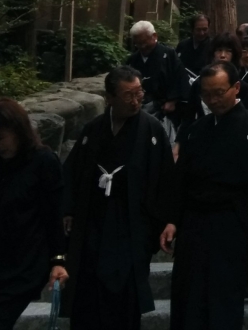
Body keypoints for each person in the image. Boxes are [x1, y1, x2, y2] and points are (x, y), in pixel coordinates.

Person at [162, 62, 248, 330]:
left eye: (219, 92)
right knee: (188, 292)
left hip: (233, 220)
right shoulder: (196, 129)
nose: (213, 100)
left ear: (236, 87)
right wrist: (172, 219)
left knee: (224, 293)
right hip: (194, 221)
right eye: (207, 94)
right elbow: (180, 180)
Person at [62, 66, 174, 330]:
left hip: (132, 226)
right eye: (128, 95)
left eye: (139, 93)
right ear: (109, 98)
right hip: (94, 225)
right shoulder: (93, 130)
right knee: (88, 295)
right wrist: (68, 210)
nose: (136, 101)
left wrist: (165, 222)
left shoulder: (152, 130)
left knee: (125, 299)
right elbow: (72, 174)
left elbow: (167, 181)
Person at [0, 99, 67, 330]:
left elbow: (53, 215)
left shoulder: (43, 162)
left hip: (24, 264)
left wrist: (58, 260)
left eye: (1, 138)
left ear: (18, 130)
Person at [126, 19, 186, 122]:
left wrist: (173, 101)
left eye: (144, 42)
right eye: (138, 44)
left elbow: (180, 78)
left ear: (154, 36)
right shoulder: (133, 60)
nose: (142, 46)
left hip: (164, 107)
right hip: (139, 105)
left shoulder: (169, 54)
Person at [177, 13, 214, 78]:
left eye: (205, 29)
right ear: (192, 29)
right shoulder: (183, 45)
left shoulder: (214, 45)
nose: (202, 33)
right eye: (198, 30)